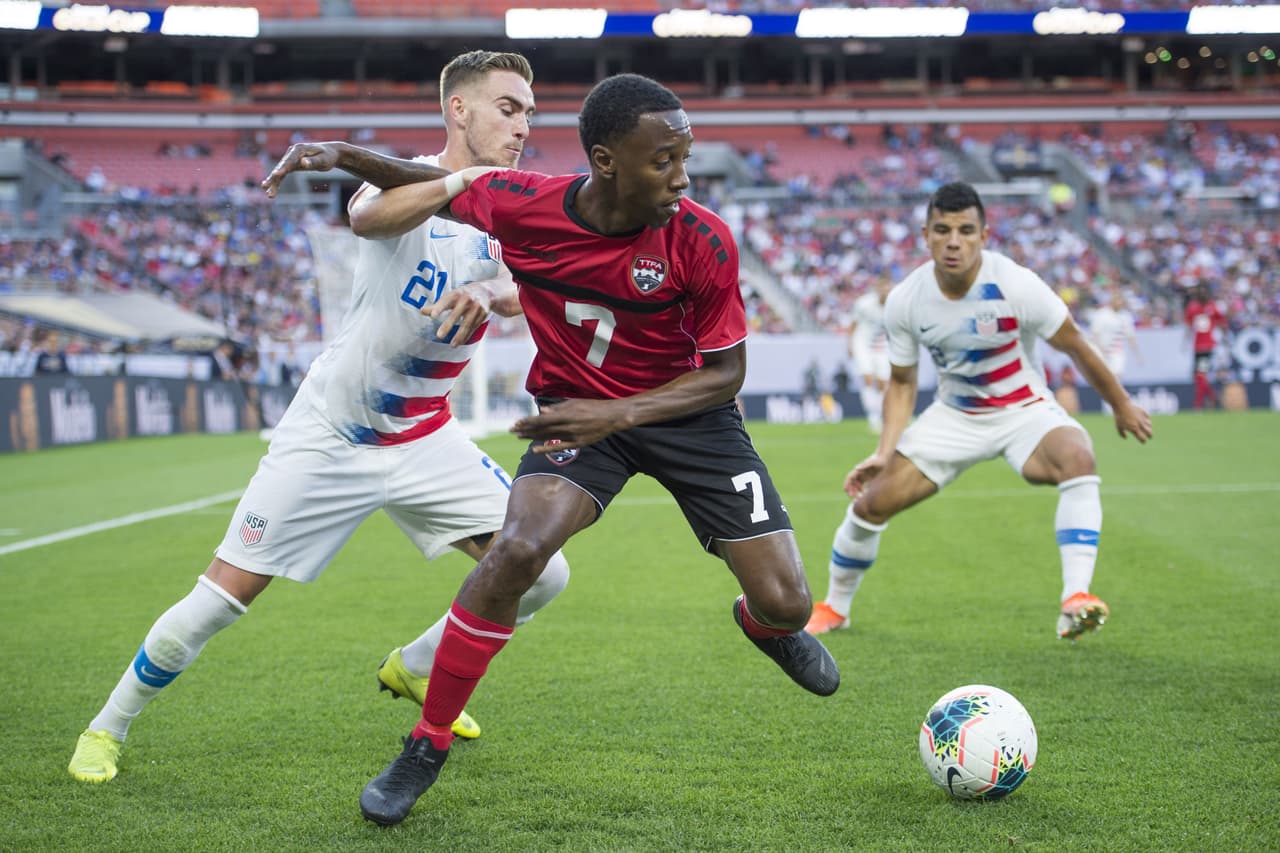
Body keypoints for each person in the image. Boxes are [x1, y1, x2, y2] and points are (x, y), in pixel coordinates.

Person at [263, 72, 840, 828]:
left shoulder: (703, 239)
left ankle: (762, 626)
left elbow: (725, 374)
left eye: (684, 158)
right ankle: (427, 740)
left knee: (789, 603)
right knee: (517, 550)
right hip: (575, 410)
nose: (681, 177)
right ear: (605, 161)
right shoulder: (521, 203)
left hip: (690, 419)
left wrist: (620, 412)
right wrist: (341, 155)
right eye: (662, 161)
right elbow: (431, 180)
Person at [68, 49, 570, 785]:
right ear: (458, 109)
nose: (524, 125)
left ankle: (416, 667)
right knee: (221, 599)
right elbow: (366, 217)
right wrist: (462, 183)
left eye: (529, 111)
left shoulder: (512, 207)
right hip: (332, 434)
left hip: (426, 436)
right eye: (508, 107)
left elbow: (536, 284)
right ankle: (105, 728)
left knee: (542, 571)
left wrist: (495, 291)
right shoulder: (405, 177)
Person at [804, 182, 1152, 640]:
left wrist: (1121, 403)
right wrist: (884, 452)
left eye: (966, 231)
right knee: (871, 504)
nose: (954, 241)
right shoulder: (907, 299)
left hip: (1024, 409)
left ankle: (1076, 598)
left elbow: (1075, 345)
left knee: (1077, 455)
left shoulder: (1016, 284)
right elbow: (903, 382)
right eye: (942, 230)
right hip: (955, 416)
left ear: (984, 236)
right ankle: (835, 607)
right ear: (925, 235)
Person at [847, 275, 893, 433]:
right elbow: (853, 324)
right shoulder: (864, 304)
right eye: (883, 289)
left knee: (882, 382)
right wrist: (849, 345)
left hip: (881, 346)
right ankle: (872, 416)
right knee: (867, 378)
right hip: (862, 344)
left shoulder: (896, 305)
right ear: (877, 290)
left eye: (888, 289)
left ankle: (881, 413)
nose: (885, 292)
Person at [1184, 284, 1226, 410]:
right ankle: (1213, 397)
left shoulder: (1211, 307)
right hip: (1198, 347)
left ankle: (1198, 404)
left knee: (1201, 375)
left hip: (1206, 347)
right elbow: (1188, 326)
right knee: (1198, 376)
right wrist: (1185, 342)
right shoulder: (1194, 308)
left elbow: (1222, 321)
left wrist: (1222, 335)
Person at [1087, 289, 1142, 382]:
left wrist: (1138, 354)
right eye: (1118, 300)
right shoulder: (1102, 314)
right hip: (1102, 352)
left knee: (1117, 377)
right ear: (1112, 301)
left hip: (1116, 352)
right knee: (1103, 378)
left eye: (1121, 301)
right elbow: (1095, 333)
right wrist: (1100, 349)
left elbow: (1130, 336)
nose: (1120, 303)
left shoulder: (1125, 316)